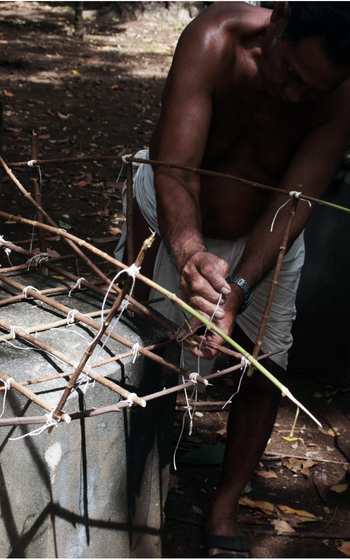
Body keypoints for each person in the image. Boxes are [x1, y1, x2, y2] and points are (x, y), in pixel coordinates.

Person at [115, 2, 350, 556]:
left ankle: (225, 504)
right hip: (172, 211)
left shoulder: (339, 94)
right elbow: (173, 168)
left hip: (266, 235)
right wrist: (192, 253)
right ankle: (139, 474)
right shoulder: (213, 39)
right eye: (291, 74)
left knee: (264, 366)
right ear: (281, 19)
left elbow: (293, 204)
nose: (295, 96)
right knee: (141, 339)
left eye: (313, 91)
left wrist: (238, 287)